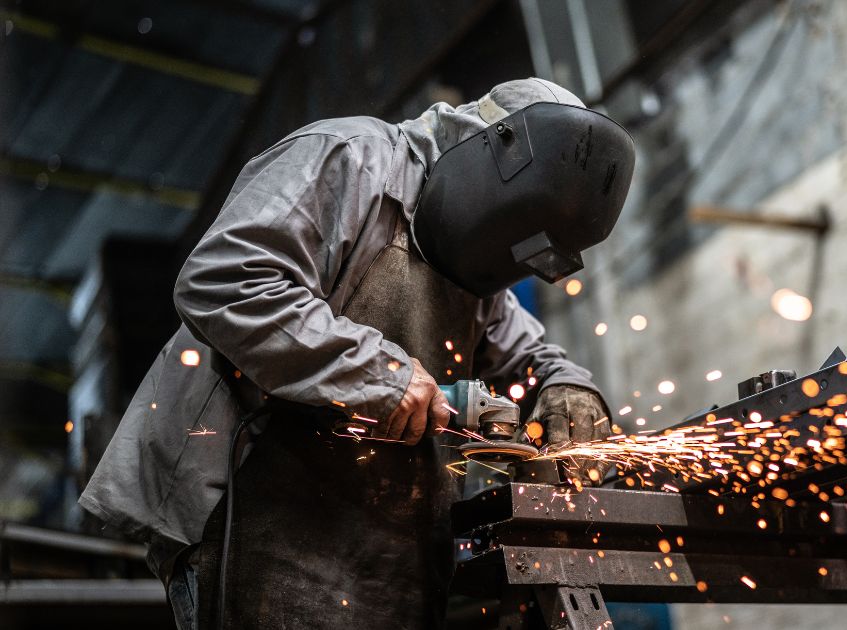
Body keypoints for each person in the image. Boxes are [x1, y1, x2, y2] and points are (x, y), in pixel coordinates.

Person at [79, 78, 635, 629]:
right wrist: (383, 374)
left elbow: (532, 357)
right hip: (260, 522)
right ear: (494, 155)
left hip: (391, 557)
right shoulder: (349, 158)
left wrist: (569, 389)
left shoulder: (475, 261)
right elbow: (225, 281)